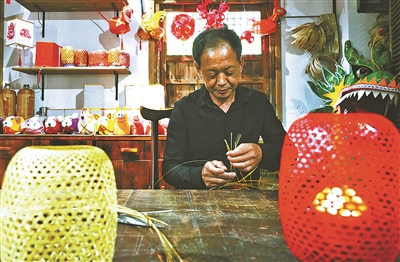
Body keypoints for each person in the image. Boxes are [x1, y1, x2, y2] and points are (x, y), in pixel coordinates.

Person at [162, 26, 286, 189]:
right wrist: (199, 176)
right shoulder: (184, 109)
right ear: (199, 69)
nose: (221, 81)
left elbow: (288, 151)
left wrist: (262, 153)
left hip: (247, 199)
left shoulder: (257, 103)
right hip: (198, 201)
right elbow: (169, 168)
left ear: (240, 64)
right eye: (212, 74)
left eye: (229, 72)